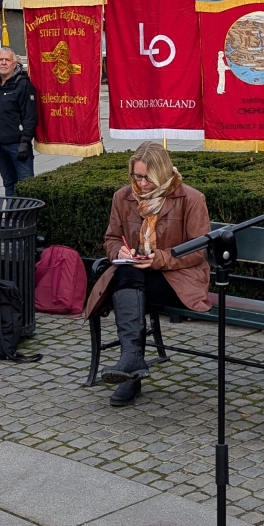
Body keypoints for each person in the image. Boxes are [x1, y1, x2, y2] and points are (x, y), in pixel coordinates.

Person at [81, 143, 210, 407]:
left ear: (162, 174)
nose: (141, 183)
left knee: (125, 282)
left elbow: (199, 250)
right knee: (128, 274)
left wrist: (158, 258)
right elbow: (112, 238)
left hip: (178, 279)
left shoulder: (191, 198)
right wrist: (121, 251)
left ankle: (131, 370)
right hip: (135, 276)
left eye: (147, 178)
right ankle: (132, 361)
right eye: (137, 176)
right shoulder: (122, 197)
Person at [0, 47, 38, 197]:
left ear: (14, 63)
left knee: (26, 185)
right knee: (9, 184)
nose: (3, 63)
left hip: (18, 145)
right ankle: (12, 219)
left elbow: (30, 116)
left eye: (7, 60)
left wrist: (25, 142)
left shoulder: (23, 84)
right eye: (0, 60)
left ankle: (27, 220)